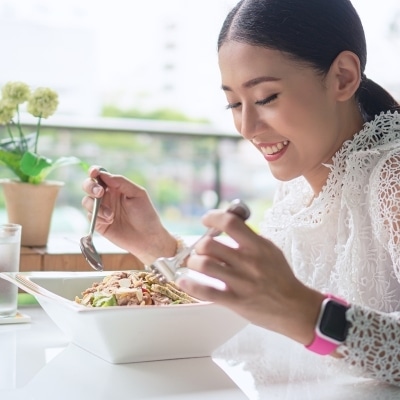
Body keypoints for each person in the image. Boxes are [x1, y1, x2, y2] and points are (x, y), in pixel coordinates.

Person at [82, 0, 400, 387]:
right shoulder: (296, 190)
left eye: (266, 98)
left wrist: (306, 312)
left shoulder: (391, 177)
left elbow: (291, 315)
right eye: (233, 103)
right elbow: (254, 321)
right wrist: (156, 245)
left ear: (343, 77)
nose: (247, 126)